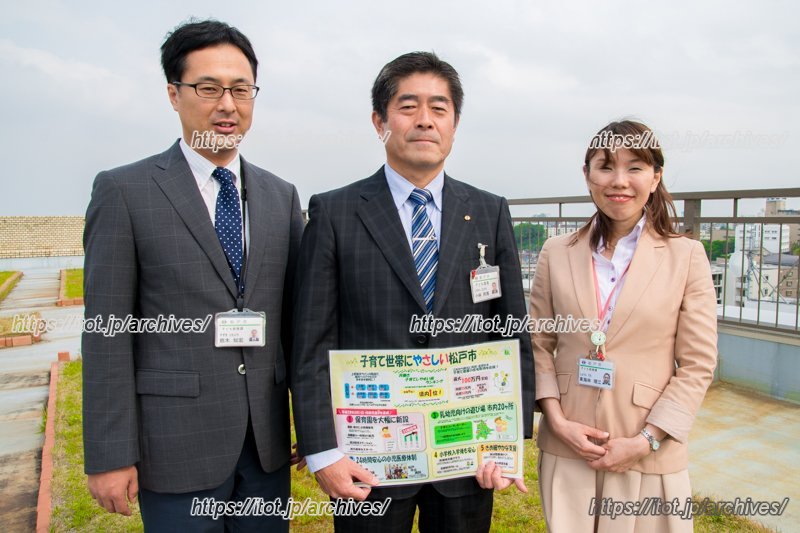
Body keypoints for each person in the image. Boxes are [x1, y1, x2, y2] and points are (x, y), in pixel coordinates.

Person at [291, 51, 535, 532]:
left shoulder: (489, 210)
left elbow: (510, 331)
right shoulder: (336, 212)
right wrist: (322, 451)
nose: (425, 120)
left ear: (455, 122)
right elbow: (311, 343)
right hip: (369, 455)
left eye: (439, 108)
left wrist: (508, 441)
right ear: (379, 121)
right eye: (408, 107)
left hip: (466, 454)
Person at [82, 19, 304, 532]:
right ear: (173, 94)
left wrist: (313, 426)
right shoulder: (126, 191)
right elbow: (107, 334)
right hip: (175, 444)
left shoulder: (280, 196)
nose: (227, 104)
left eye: (241, 89)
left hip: (266, 446)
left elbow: (298, 322)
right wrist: (110, 453)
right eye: (208, 88)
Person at [480, 120, 717, 532]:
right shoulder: (557, 252)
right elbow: (536, 343)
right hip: (570, 440)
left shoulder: (686, 256)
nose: (619, 181)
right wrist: (554, 419)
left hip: (647, 447)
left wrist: (648, 439)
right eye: (605, 167)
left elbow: (697, 363)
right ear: (587, 175)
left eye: (635, 168)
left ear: (656, 176)